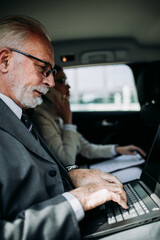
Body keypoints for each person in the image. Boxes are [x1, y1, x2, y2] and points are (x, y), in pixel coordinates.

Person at [0, 15, 128, 240]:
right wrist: (78, 200)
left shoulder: (21, 116)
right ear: (4, 61)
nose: (49, 82)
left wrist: (73, 175)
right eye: (42, 68)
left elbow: (46, 168)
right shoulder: (32, 116)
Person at [33, 65, 146, 182]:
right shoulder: (42, 117)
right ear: (49, 87)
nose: (68, 86)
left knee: (136, 170)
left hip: (82, 171)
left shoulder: (58, 115)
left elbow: (86, 148)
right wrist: (68, 123)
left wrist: (117, 149)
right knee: (136, 173)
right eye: (62, 81)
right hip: (69, 179)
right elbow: (67, 163)